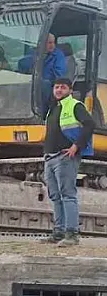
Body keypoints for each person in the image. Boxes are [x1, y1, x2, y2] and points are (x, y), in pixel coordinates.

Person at [39, 77, 96, 247]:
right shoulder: (53, 108)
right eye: (56, 87)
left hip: (65, 157)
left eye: (62, 88)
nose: (58, 90)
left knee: (68, 195)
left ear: (70, 90)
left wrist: (76, 146)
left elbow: (89, 124)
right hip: (50, 157)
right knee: (55, 196)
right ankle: (58, 232)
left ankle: (72, 234)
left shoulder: (75, 105)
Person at [18, 33, 67, 113]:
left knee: (45, 84)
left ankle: (43, 113)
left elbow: (59, 74)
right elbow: (22, 64)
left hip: (51, 84)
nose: (52, 45)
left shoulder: (58, 55)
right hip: (33, 82)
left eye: (53, 43)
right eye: (49, 43)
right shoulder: (35, 53)